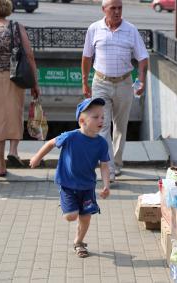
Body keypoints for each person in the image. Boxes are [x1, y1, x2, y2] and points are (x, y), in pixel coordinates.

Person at [29, 98, 110, 258]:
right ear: (82, 120)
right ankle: (67, 204)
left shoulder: (102, 143)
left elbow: (104, 165)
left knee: (86, 217)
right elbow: (50, 144)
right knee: (71, 216)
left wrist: (106, 185)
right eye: (96, 117)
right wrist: (37, 158)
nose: (101, 120)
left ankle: (79, 242)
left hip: (87, 186)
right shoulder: (70, 137)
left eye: (102, 117)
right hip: (67, 184)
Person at [81, 0, 149, 181]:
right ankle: (108, 168)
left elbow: (143, 58)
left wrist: (141, 80)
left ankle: (117, 163)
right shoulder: (94, 29)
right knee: (102, 126)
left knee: (120, 126)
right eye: (113, 8)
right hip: (100, 82)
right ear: (104, 10)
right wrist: (85, 82)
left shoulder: (131, 30)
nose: (117, 12)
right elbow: (87, 56)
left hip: (124, 83)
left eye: (120, 8)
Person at [0, 0, 40, 176]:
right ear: (8, 8)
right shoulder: (16, 27)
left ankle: (0, 166)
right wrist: (35, 83)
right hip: (14, 78)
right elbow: (29, 55)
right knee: (14, 114)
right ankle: (13, 151)